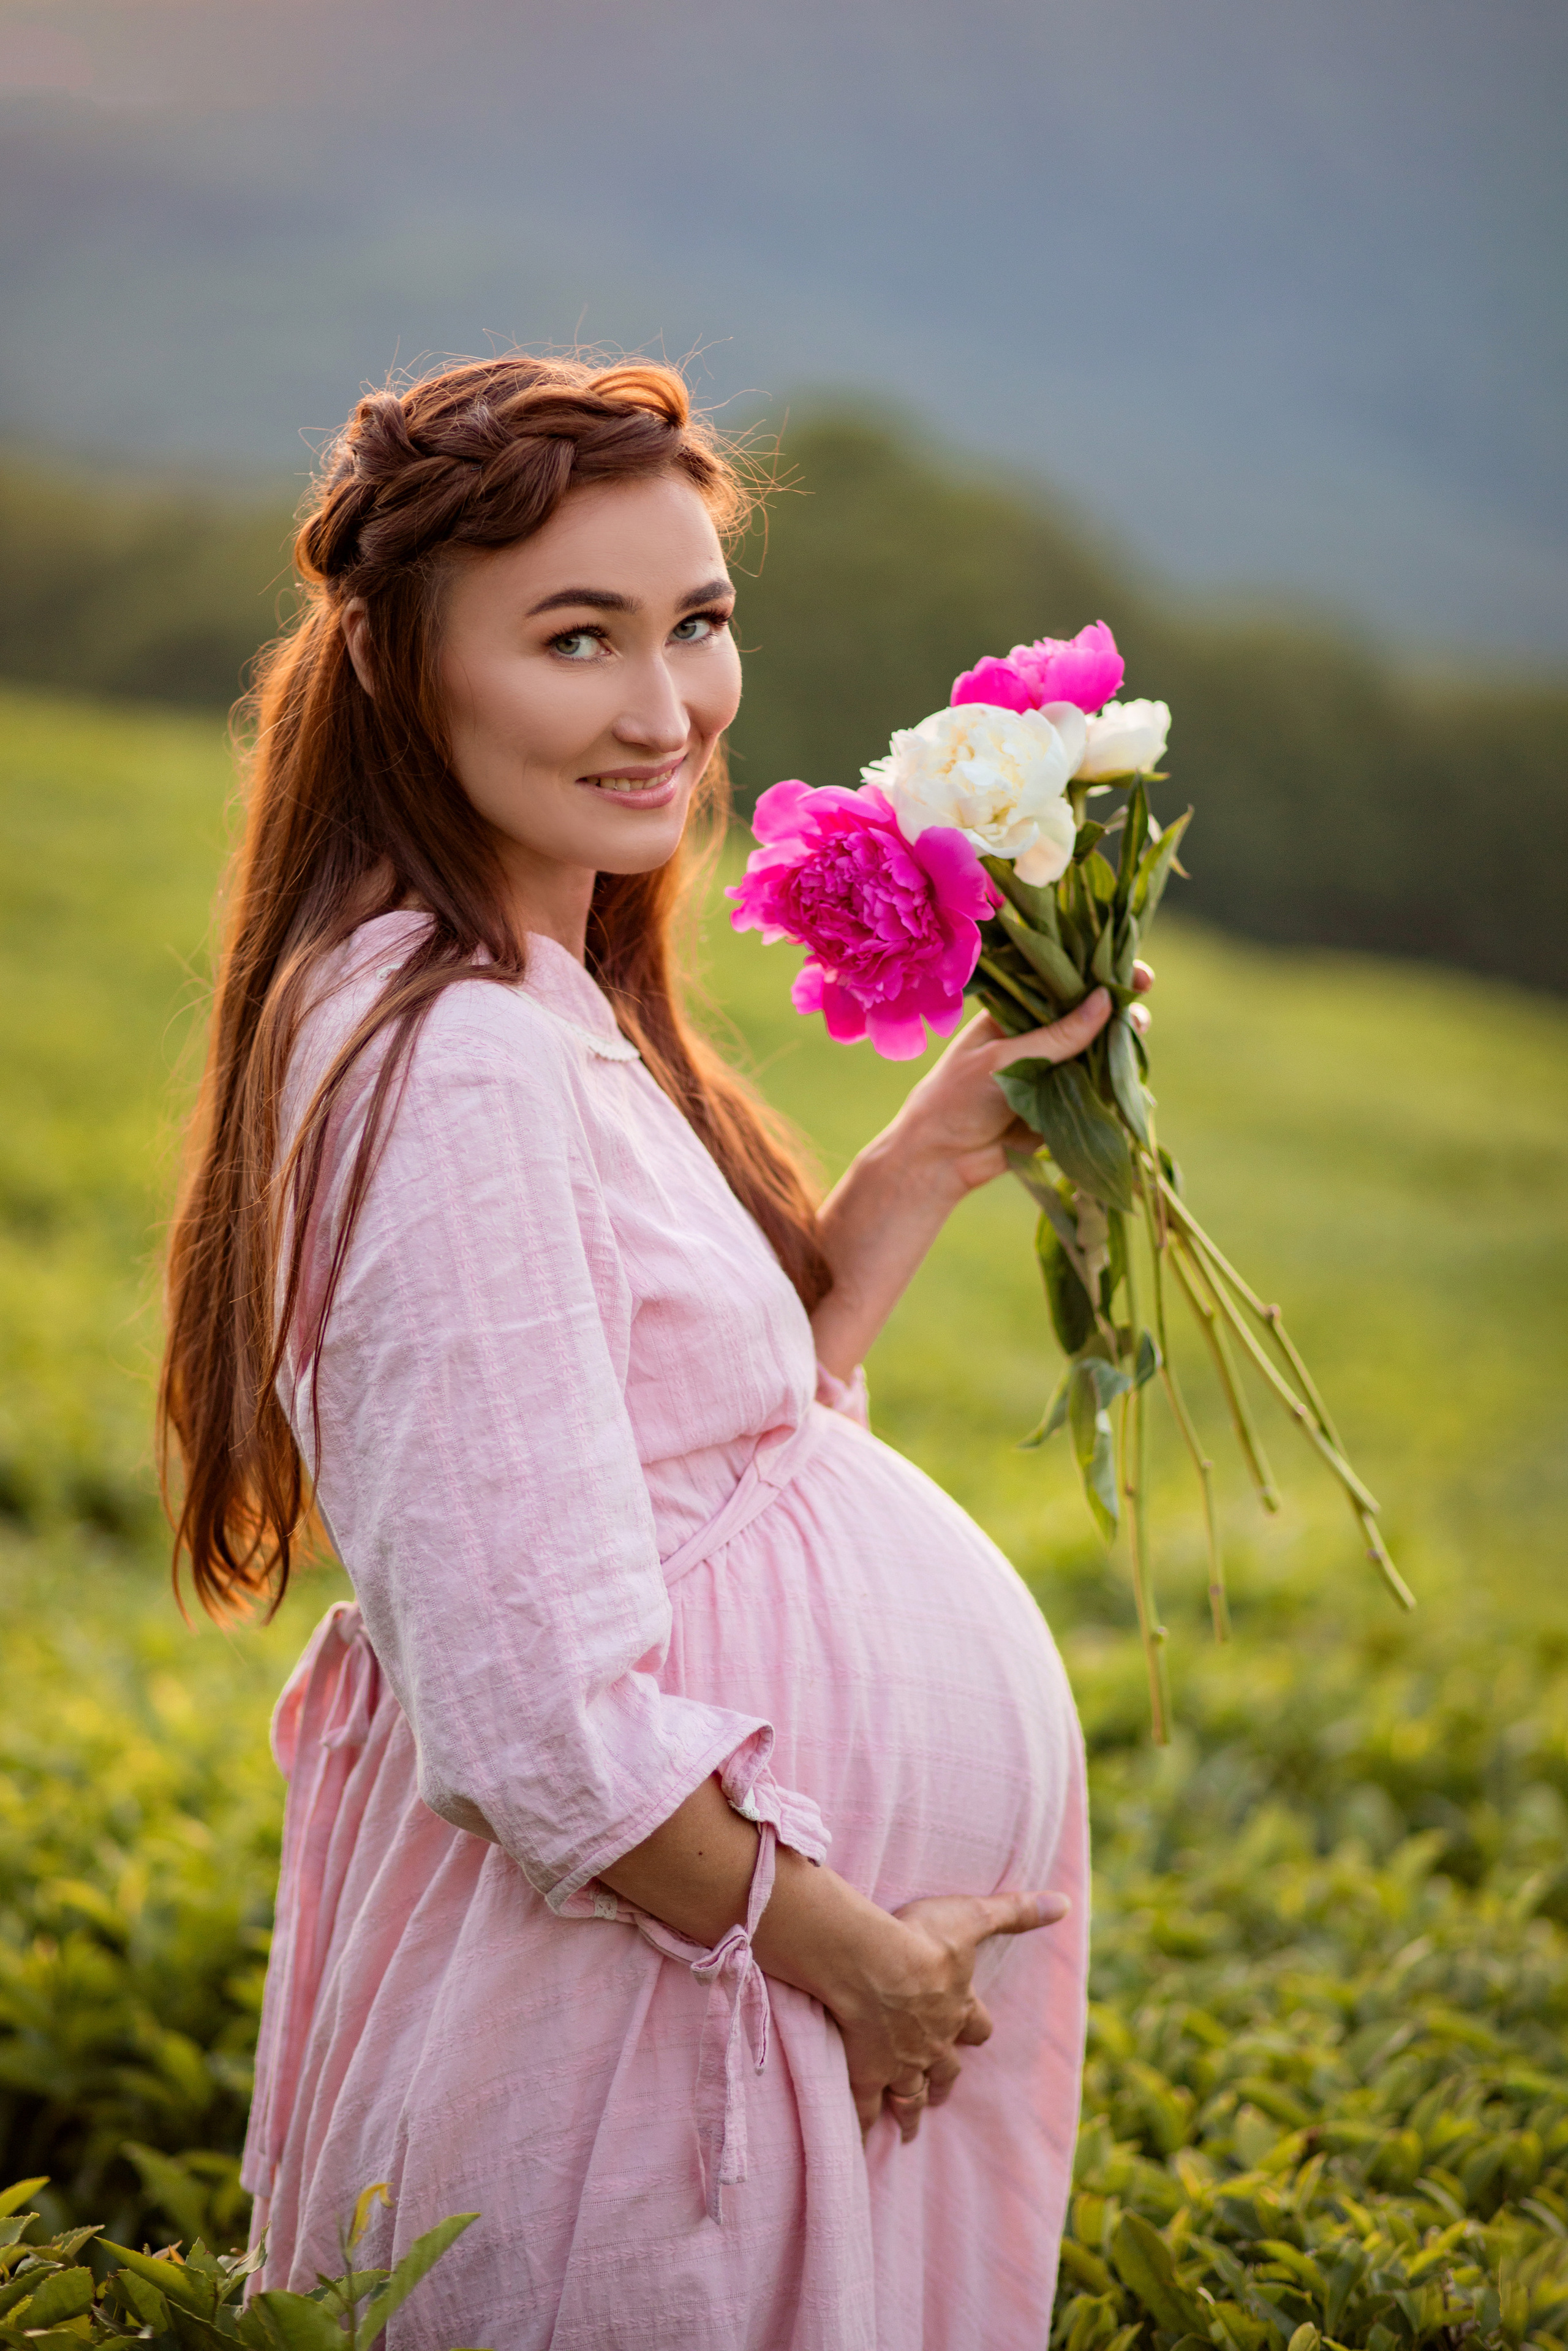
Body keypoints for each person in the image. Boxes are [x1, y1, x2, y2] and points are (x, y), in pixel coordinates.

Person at [159, 355, 1148, 2349]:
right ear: (404, 674)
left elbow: (700, 1456)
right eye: (574, 640)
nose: (664, 709)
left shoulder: (532, 994)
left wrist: (907, 1181)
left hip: (707, 2008)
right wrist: (857, 1956)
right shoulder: (448, 1051)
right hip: (667, 2034)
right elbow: (527, 1700)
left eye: (696, 623)